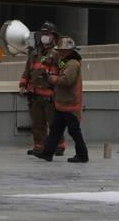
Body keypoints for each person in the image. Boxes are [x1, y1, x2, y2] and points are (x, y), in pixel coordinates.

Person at [35, 36, 88, 163]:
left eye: (61, 51)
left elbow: (66, 80)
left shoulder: (72, 64)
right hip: (62, 104)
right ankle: (47, 153)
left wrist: (52, 79)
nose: (59, 53)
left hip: (70, 105)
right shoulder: (65, 62)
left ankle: (83, 155)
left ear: (68, 51)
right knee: (56, 129)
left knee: (74, 131)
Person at [19, 21, 66, 156]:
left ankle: (59, 146)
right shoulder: (35, 52)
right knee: (37, 124)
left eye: (48, 33)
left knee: (54, 123)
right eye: (44, 33)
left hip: (51, 96)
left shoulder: (58, 53)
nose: (45, 36)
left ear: (53, 36)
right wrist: (22, 85)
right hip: (35, 95)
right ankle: (39, 147)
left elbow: (63, 73)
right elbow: (27, 71)